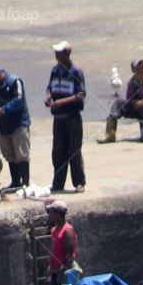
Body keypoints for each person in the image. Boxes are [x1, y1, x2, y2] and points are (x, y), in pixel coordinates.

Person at [45, 41, 86, 193]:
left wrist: (61, 102)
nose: (56, 55)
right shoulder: (55, 70)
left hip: (72, 117)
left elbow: (81, 95)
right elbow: (49, 87)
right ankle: (58, 183)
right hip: (58, 118)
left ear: (66, 54)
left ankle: (79, 183)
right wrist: (48, 97)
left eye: (58, 53)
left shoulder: (76, 71)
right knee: (58, 151)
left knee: (74, 150)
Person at [98, 58, 143, 143]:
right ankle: (110, 135)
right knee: (118, 102)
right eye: (138, 69)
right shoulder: (131, 83)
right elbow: (129, 99)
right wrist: (133, 102)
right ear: (133, 71)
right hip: (139, 111)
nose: (141, 71)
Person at [0, 64, 31, 190]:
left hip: (18, 123)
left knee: (22, 154)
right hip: (2, 126)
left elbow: (19, 100)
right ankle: (15, 181)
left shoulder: (15, 81)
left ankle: (26, 183)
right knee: (9, 154)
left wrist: (4, 109)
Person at [46, 200, 79, 285]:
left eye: (51, 212)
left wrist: (61, 275)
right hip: (55, 271)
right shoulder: (54, 229)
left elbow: (70, 256)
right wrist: (50, 273)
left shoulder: (67, 231)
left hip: (64, 273)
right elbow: (54, 252)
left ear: (58, 214)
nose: (49, 214)